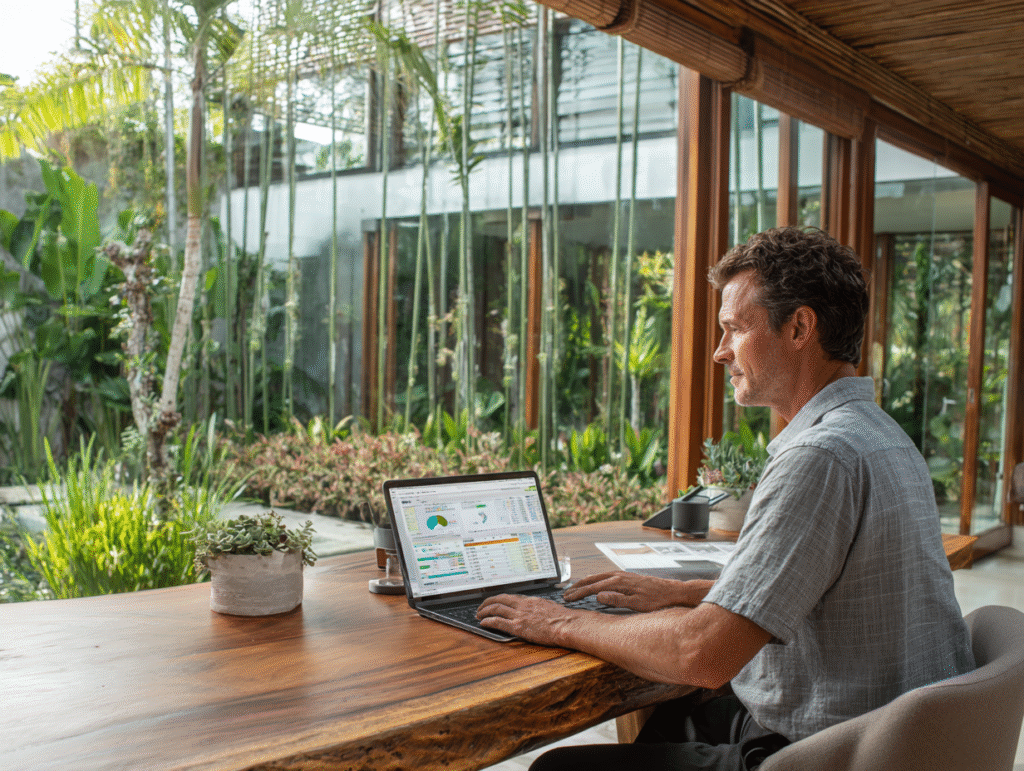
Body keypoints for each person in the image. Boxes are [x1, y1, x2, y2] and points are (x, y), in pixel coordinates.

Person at [477, 227, 975, 771]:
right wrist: (689, 593)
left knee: (559, 767)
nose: (719, 352)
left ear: (800, 327)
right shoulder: (880, 434)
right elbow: (819, 586)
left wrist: (557, 622)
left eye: (734, 328)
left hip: (827, 753)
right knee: (671, 718)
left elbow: (703, 656)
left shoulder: (821, 455)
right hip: (889, 735)